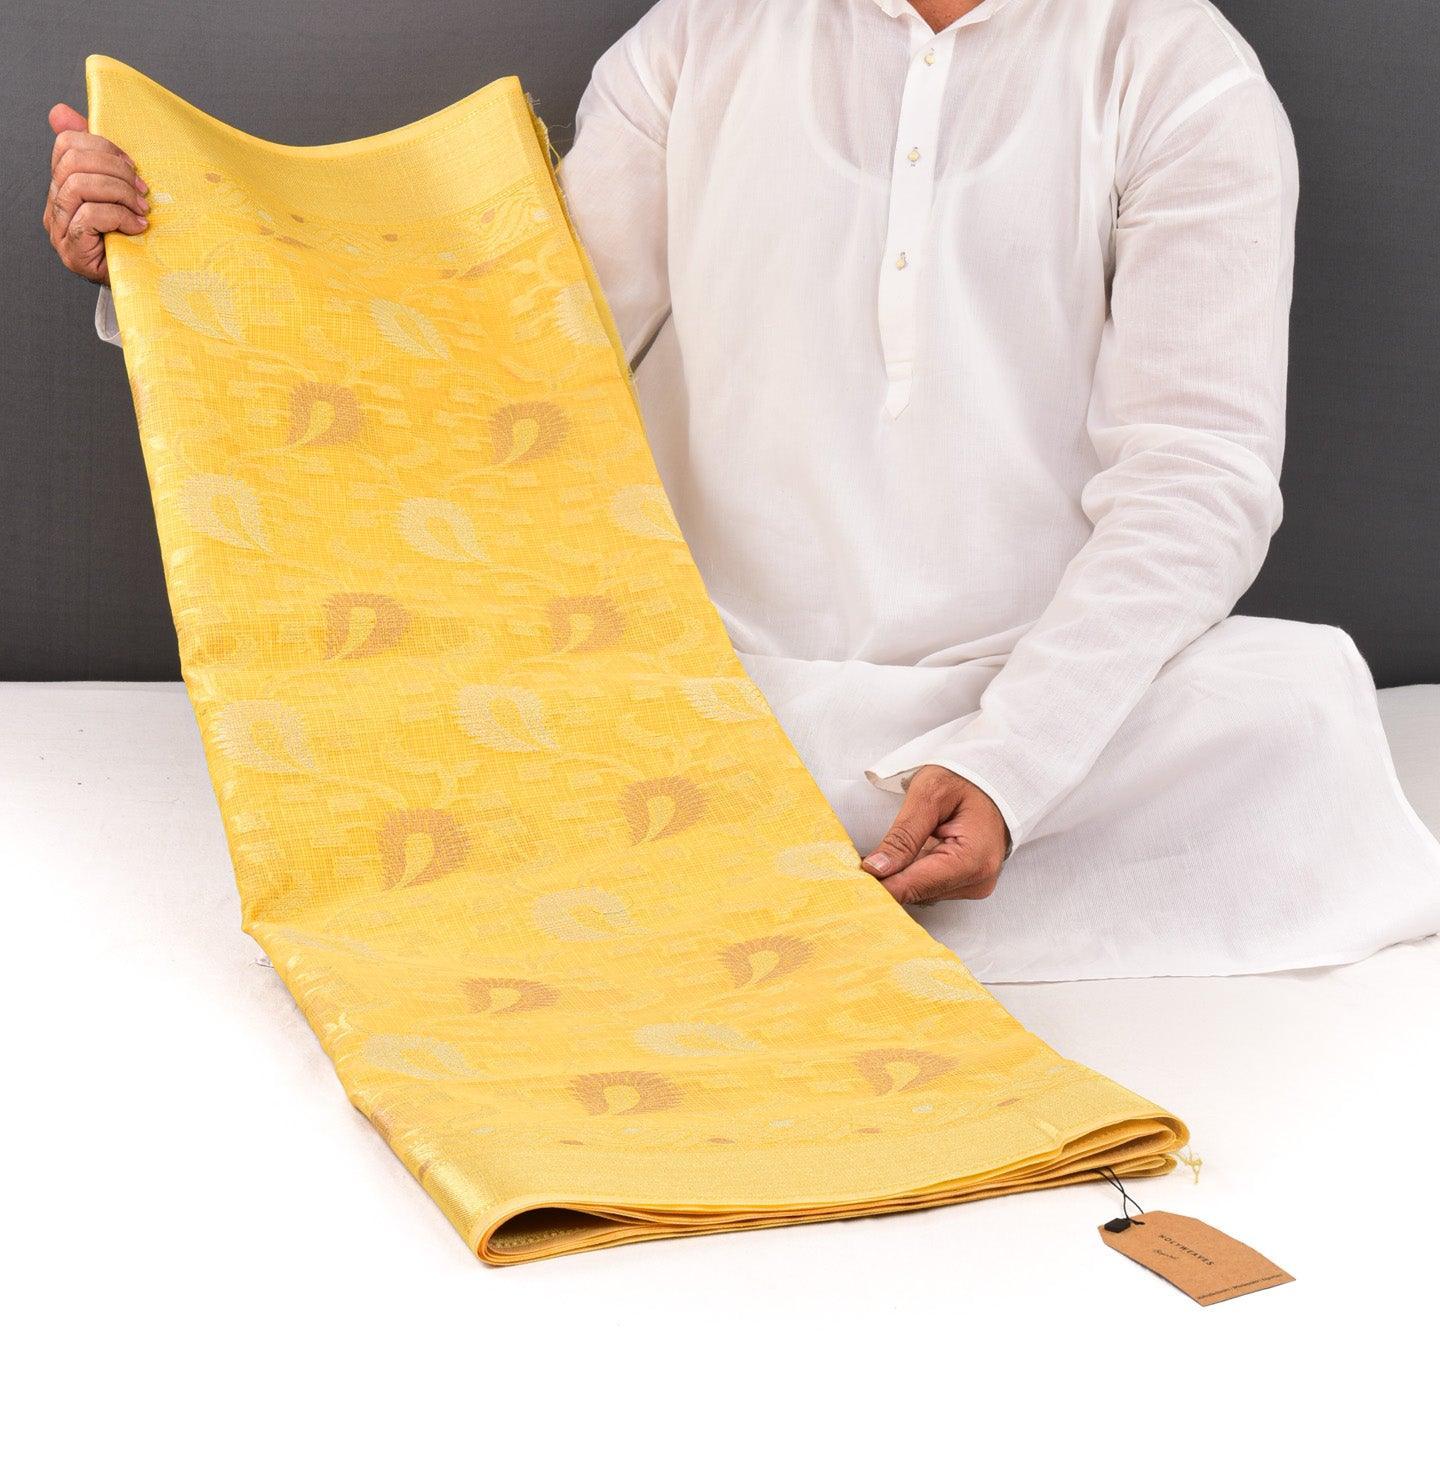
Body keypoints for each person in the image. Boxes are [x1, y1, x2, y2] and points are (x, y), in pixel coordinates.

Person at [44, 0, 1440, 981]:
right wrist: (171, 269)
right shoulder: (700, 37)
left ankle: (858, 837)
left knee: (1294, 708)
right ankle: (798, 839)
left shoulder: (1179, 69)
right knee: (458, 700)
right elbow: (492, 356)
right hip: (703, 686)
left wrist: (1014, 761)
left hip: (1040, 699)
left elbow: (1199, 476)